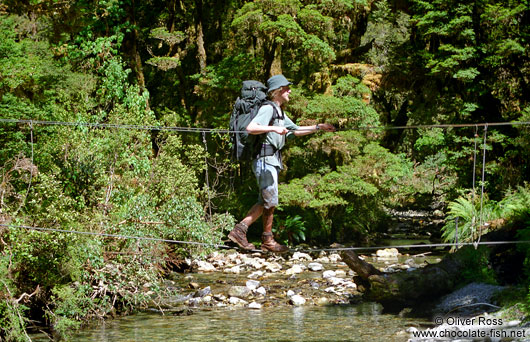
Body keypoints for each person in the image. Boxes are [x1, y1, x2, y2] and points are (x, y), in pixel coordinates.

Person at [228, 74, 335, 253]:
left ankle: (242, 231)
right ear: (277, 91)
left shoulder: (279, 112)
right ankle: (265, 239)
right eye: (286, 88)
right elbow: (251, 128)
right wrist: (274, 128)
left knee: (265, 201)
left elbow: (296, 130)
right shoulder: (268, 109)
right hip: (264, 159)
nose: (289, 91)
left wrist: (318, 127)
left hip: (271, 160)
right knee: (270, 200)